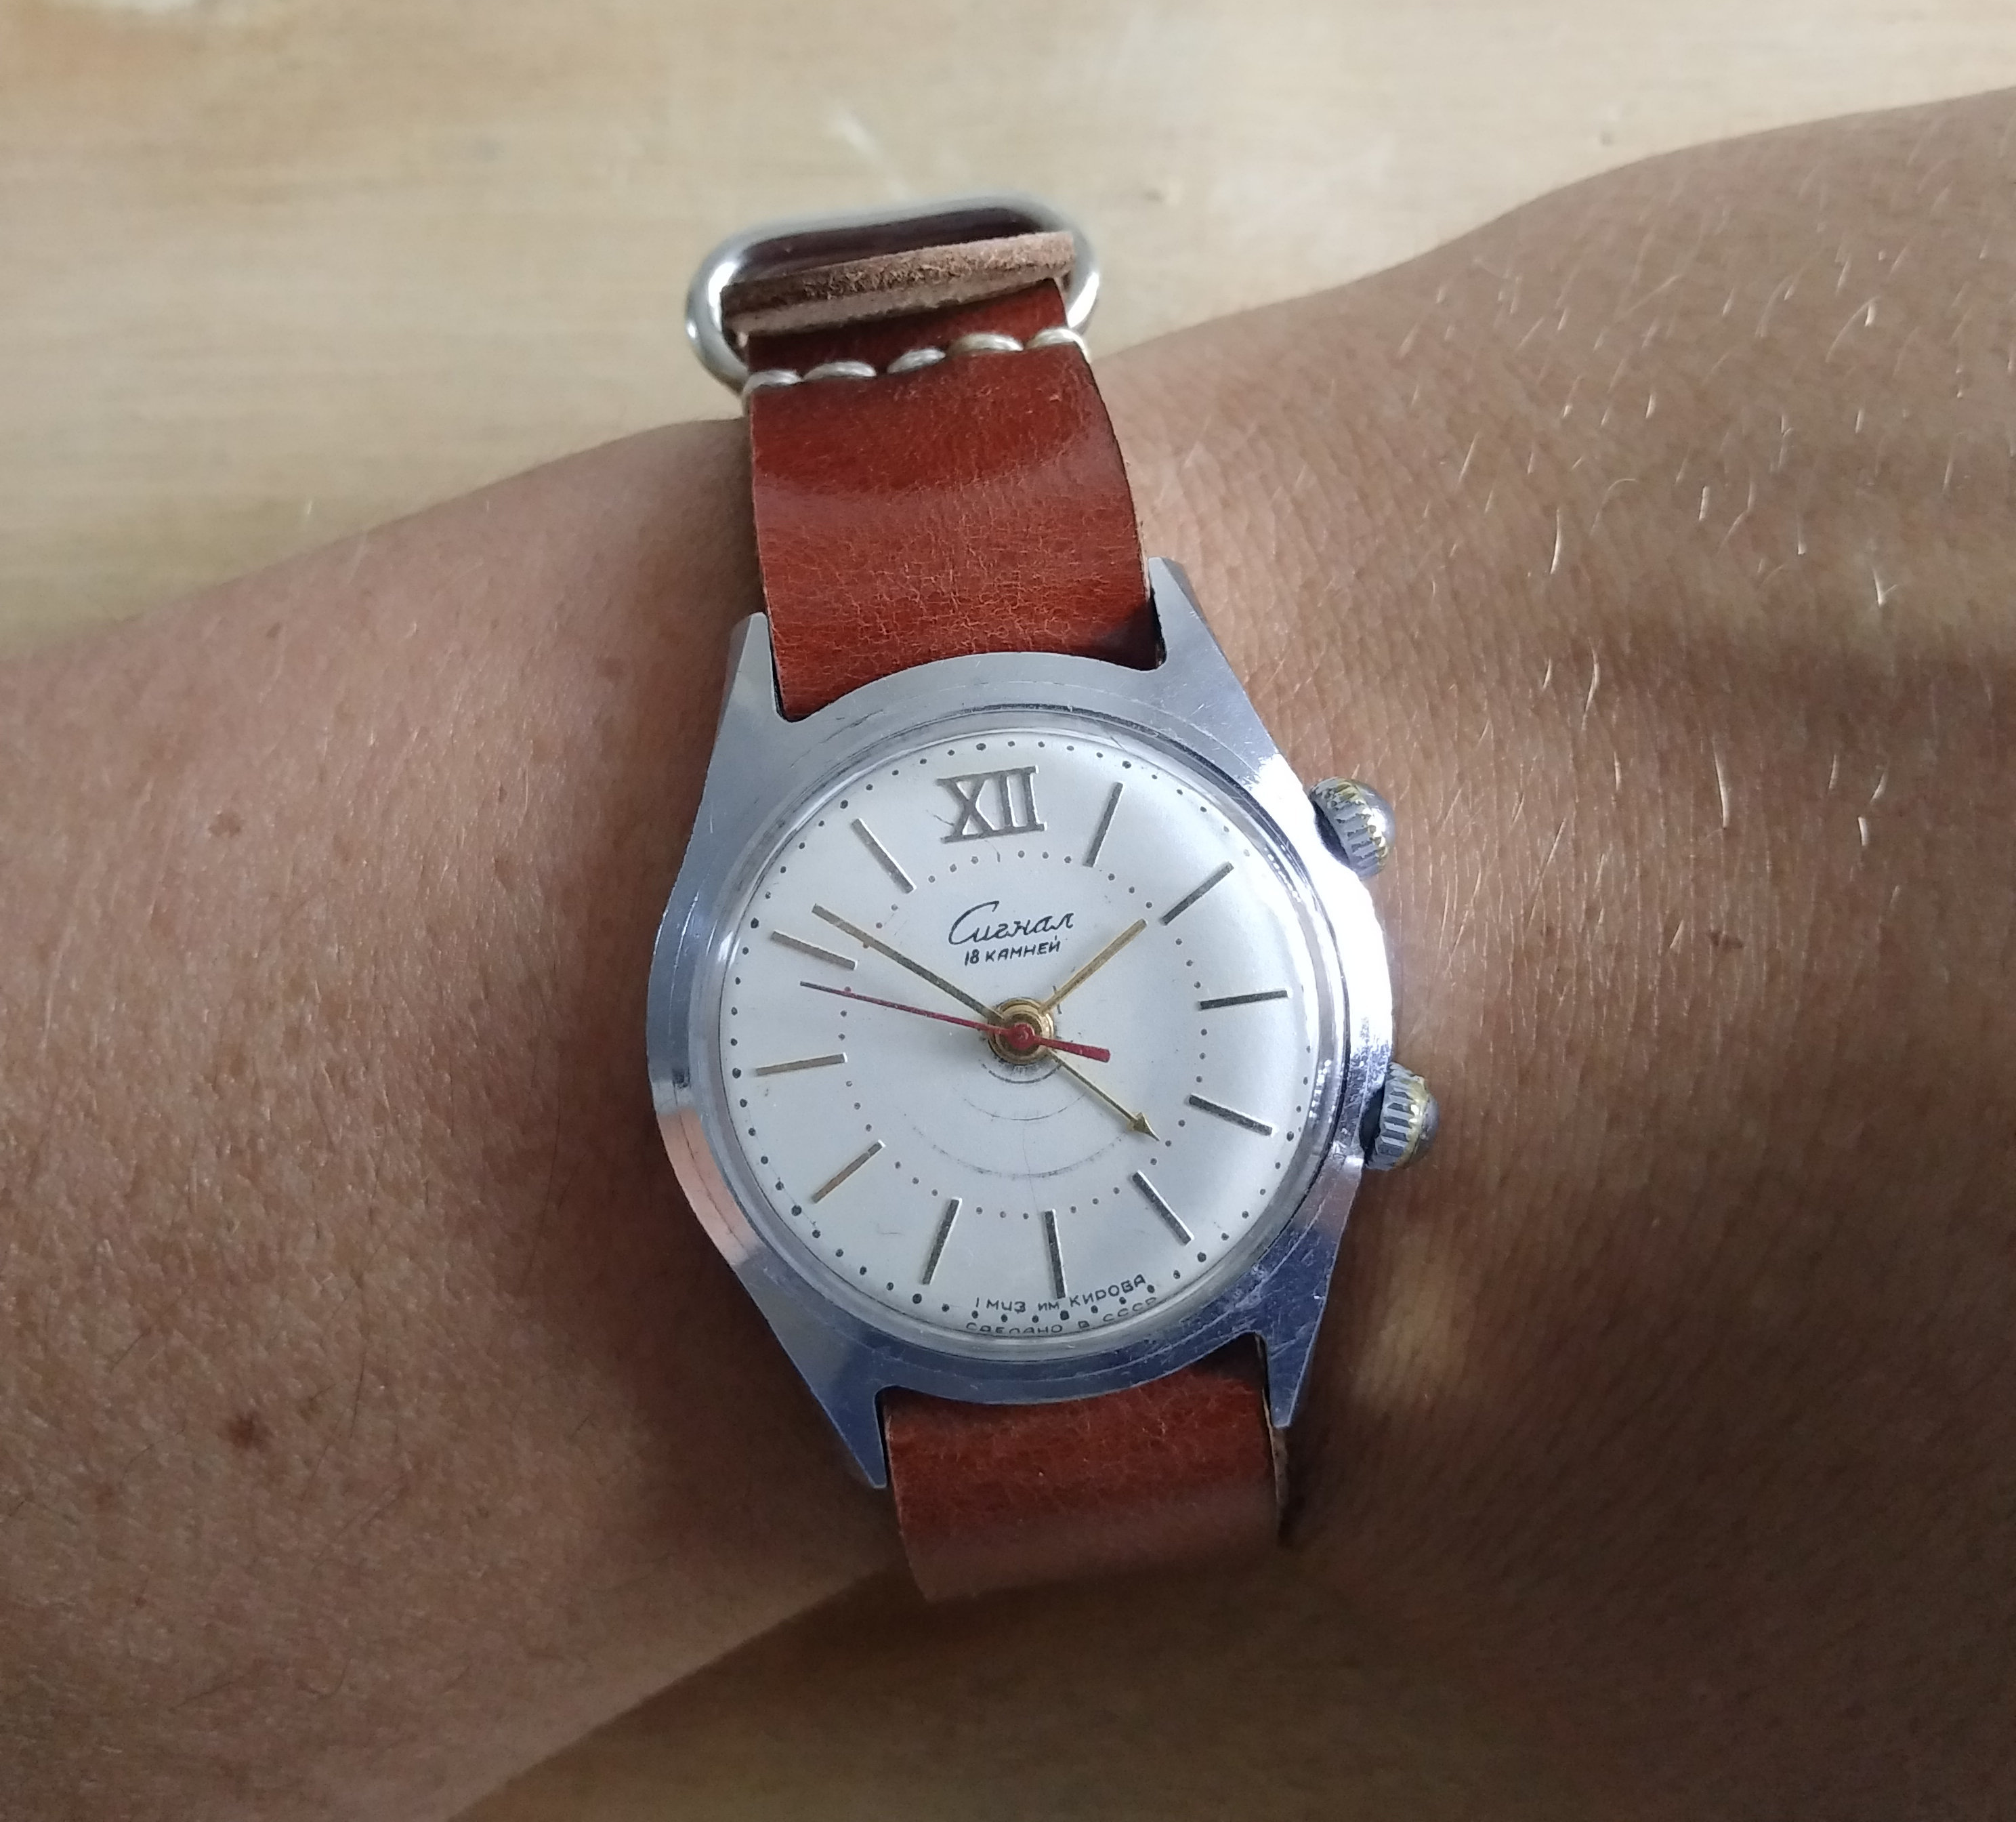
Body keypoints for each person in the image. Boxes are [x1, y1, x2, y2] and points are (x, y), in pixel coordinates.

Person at [2, 89, 2011, 1822]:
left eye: (1030, 1014)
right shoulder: (736, 1090)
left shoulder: (1209, 1044)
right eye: (1012, 1018)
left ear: (1344, 875)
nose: (1028, 1025)